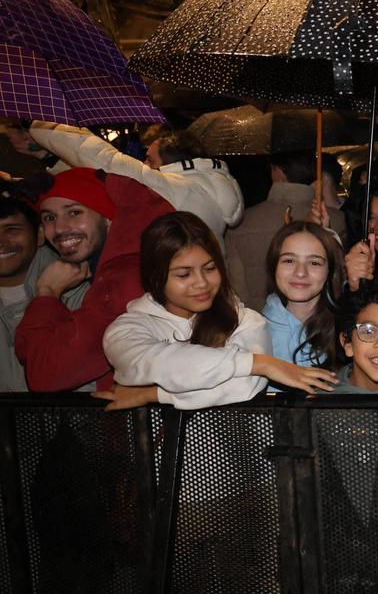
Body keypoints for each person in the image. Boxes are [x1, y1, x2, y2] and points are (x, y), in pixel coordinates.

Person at [98, 212, 337, 410]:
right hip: (162, 463)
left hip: (235, 461)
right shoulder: (128, 328)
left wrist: (152, 394)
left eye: (210, 268)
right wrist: (258, 363)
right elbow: (157, 363)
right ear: (155, 277)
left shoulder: (245, 320)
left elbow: (244, 386)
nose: (201, 283)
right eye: (184, 274)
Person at [16, 167, 173, 391]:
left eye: (74, 212)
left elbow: (46, 374)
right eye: (50, 217)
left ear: (109, 218)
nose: (59, 228)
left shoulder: (126, 279)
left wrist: (47, 293)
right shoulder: (128, 265)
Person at [22, 121, 244, 244]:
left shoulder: (177, 188)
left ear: (170, 164)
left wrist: (41, 123)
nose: (144, 164)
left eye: (149, 159)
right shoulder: (208, 187)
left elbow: (106, 162)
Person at [0, 195, 86, 390]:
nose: (1, 242)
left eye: (12, 230)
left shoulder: (77, 285)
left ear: (39, 234)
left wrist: (47, 295)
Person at [225, 150, 318, 310]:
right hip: (317, 323)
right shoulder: (334, 218)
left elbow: (236, 287)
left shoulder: (241, 222)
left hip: (256, 322)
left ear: (279, 172)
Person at [262, 221, 346, 368]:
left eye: (314, 263)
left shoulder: (345, 327)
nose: (300, 272)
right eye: (289, 261)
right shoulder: (253, 331)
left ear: (330, 271)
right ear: (274, 267)